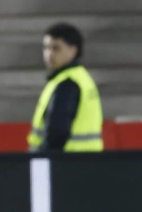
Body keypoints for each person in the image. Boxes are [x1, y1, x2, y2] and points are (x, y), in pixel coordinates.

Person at [28, 23, 104, 153]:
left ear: (73, 50)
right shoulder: (82, 78)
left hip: (65, 163)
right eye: (46, 48)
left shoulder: (67, 83)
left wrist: (39, 157)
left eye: (56, 48)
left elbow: (56, 133)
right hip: (85, 162)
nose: (49, 54)